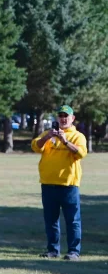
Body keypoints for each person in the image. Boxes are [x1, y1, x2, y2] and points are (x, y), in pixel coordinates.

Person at [31, 105, 87, 260]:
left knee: (72, 220)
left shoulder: (77, 136)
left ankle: (74, 252)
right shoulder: (49, 134)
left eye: (66, 116)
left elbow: (81, 153)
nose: (63, 118)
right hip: (48, 183)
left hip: (69, 185)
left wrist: (65, 141)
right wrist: (47, 137)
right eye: (61, 115)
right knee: (51, 220)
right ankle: (52, 250)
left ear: (72, 118)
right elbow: (35, 146)